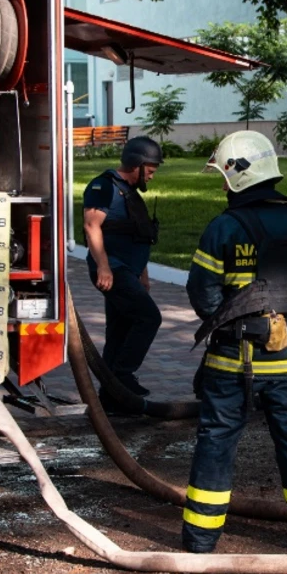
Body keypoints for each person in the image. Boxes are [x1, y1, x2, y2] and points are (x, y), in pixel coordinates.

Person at [182, 130, 287, 555]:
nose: (221, 183)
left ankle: (199, 543)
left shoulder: (222, 230)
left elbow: (203, 298)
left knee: (216, 443)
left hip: (231, 366)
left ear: (236, 177)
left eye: (222, 175)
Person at [82, 136, 164, 406]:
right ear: (136, 165)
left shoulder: (130, 193)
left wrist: (143, 273)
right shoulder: (103, 186)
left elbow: (138, 236)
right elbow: (92, 227)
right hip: (113, 269)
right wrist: (104, 267)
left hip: (128, 270)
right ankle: (123, 375)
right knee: (148, 317)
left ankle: (111, 395)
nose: (151, 177)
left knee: (120, 328)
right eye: (150, 171)